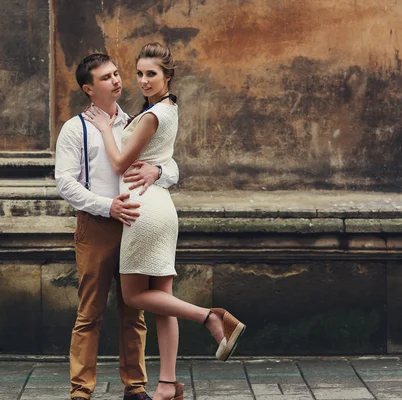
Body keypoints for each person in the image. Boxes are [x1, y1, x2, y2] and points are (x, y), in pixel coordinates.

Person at [83, 43, 246, 400]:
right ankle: (168, 383)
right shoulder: (163, 109)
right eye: (139, 73)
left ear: (168, 76)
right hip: (158, 207)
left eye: (151, 74)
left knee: (134, 295)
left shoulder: (156, 114)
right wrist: (158, 168)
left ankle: (210, 317)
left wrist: (105, 127)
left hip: (142, 211)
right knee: (162, 299)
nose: (143, 80)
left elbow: (119, 164)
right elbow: (160, 161)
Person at [55, 53, 180, 400]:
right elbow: (64, 183)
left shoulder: (134, 120)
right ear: (88, 89)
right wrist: (106, 206)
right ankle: (81, 390)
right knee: (90, 313)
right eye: (106, 77)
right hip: (96, 227)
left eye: (116, 74)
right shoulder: (74, 128)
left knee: (134, 313)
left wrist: (159, 172)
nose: (117, 81)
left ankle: (135, 387)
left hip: (135, 225)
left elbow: (170, 166)